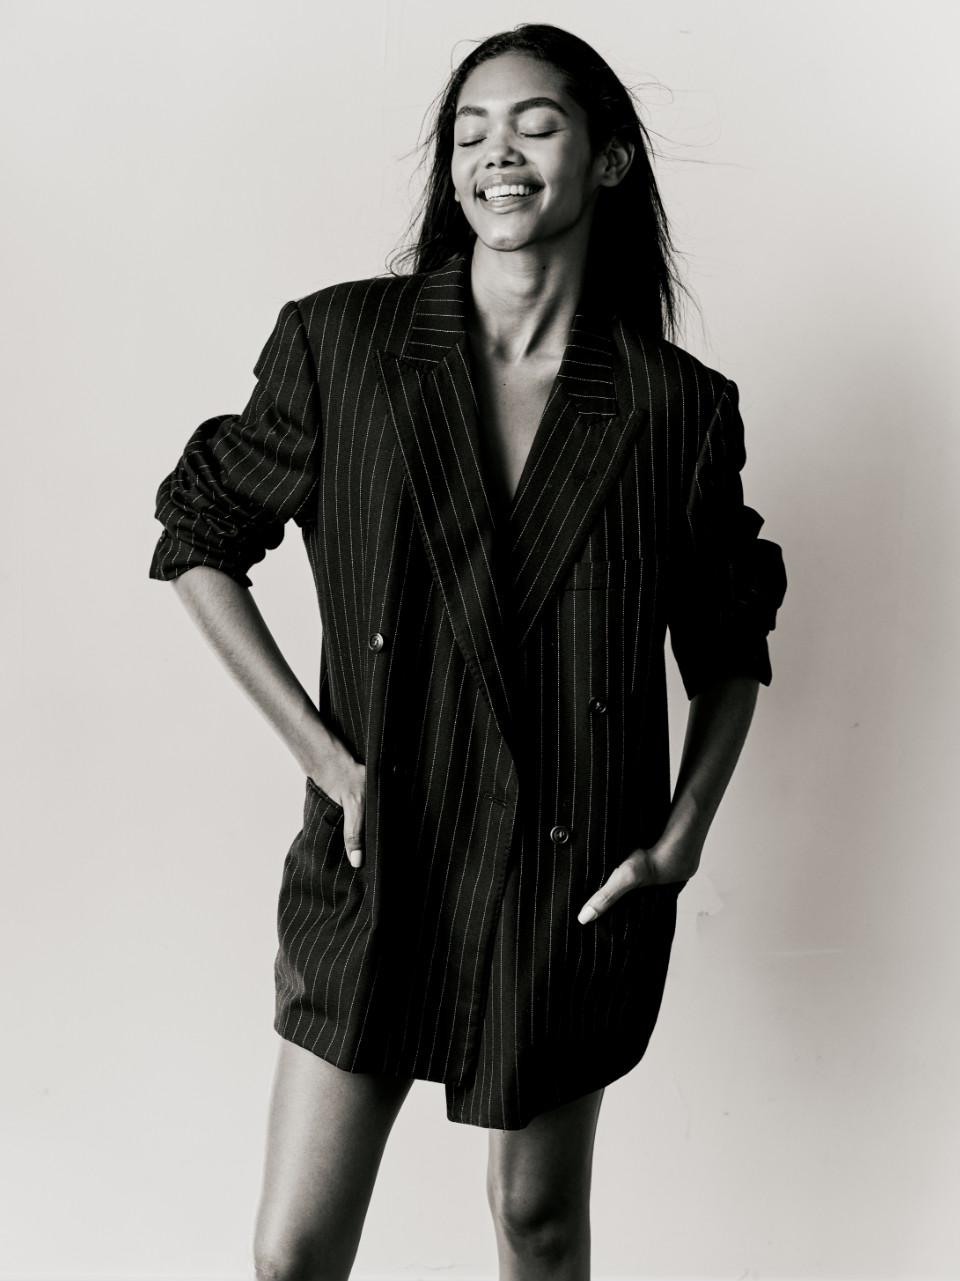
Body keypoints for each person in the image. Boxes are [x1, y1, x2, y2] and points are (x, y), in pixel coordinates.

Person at [148, 23, 786, 1281]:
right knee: (292, 1253)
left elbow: (729, 639)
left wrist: (682, 836)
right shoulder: (345, 345)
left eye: (536, 125)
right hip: (377, 848)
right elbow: (199, 539)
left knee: (536, 1223)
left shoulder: (673, 406)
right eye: (471, 132)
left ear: (609, 160)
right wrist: (328, 762)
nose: (499, 154)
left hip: (568, 865)